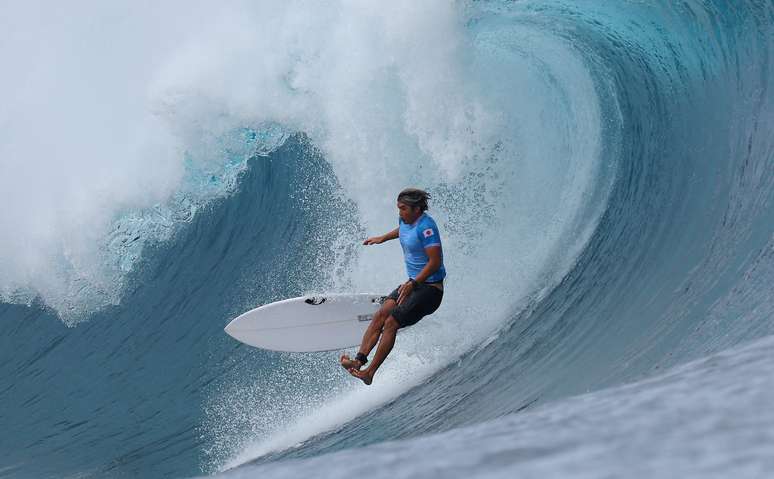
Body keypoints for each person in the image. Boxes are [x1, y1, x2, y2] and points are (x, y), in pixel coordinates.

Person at [340, 188, 446, 385]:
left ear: (417, 209)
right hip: (413, 285)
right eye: (399, 208)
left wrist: (414, 283)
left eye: (404, 208)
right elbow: (403, 231)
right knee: (381, 314)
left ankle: (369, 373)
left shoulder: (427, 227)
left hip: (430, 290)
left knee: (391, 322)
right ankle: (359, 360)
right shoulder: (405, 221)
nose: (400, 213)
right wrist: (382, 238)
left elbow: (435, 262)